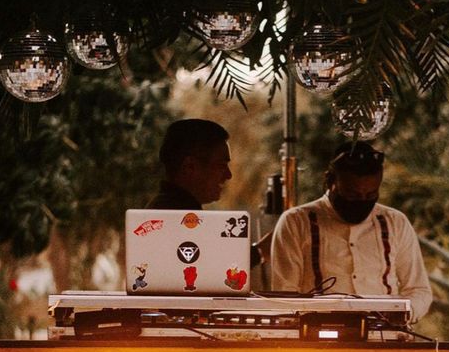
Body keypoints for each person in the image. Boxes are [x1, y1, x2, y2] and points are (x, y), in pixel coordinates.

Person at [271, 141, 432, 321]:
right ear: (330, 181)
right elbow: (284, 294)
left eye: (371, 195)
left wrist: (403, 314)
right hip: (319, 338)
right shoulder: (296, 222)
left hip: (385, 336)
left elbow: (419, 290)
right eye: (352, 195)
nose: (361, 202)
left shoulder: (395, 222)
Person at [147, 119, 271, 267]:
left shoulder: (168, 208)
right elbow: (209, 270)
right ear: (190, 167)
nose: (228, 175)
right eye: (221, 165)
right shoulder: (174, 216)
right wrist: (259, 252)